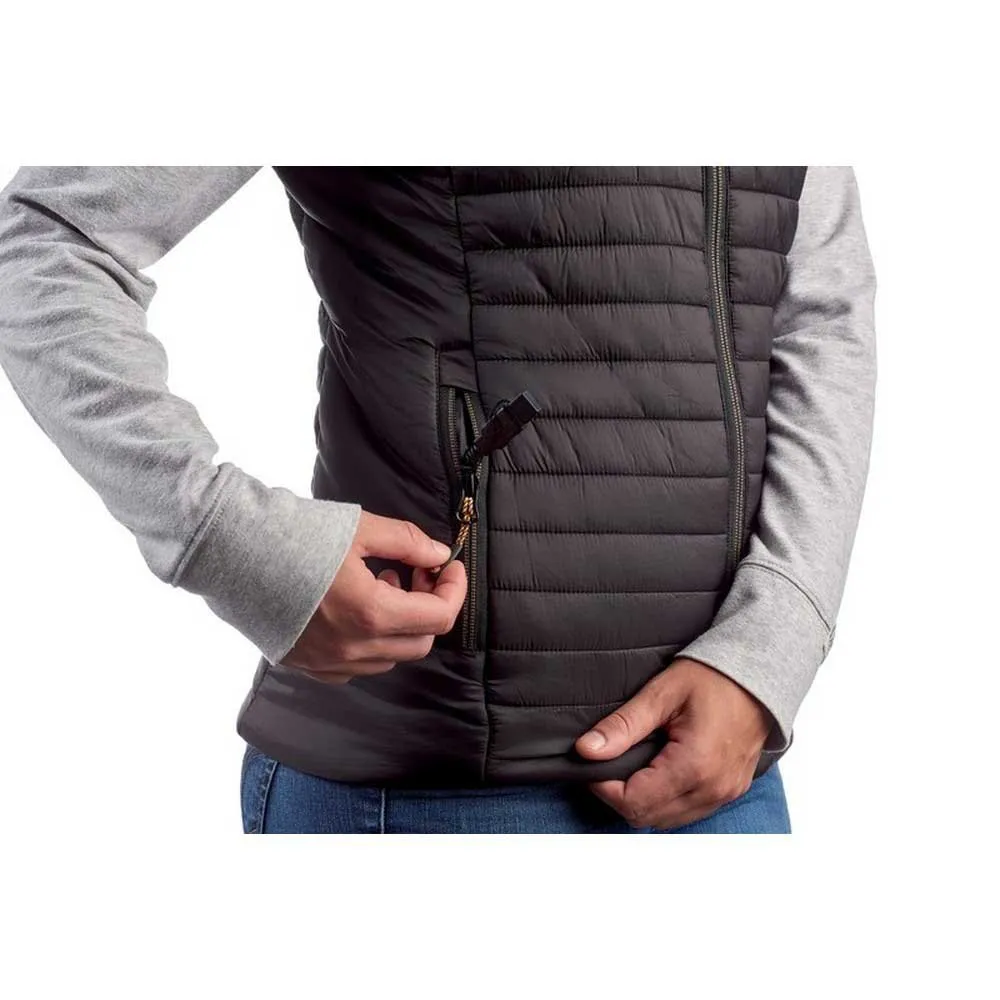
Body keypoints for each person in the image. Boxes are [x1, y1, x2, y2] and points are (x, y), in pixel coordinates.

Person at [0, 166, 876, 834]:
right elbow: (45, 242)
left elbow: (819, 309)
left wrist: (770, 651)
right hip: (433, 792)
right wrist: (230, 539)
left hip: (722, 772)